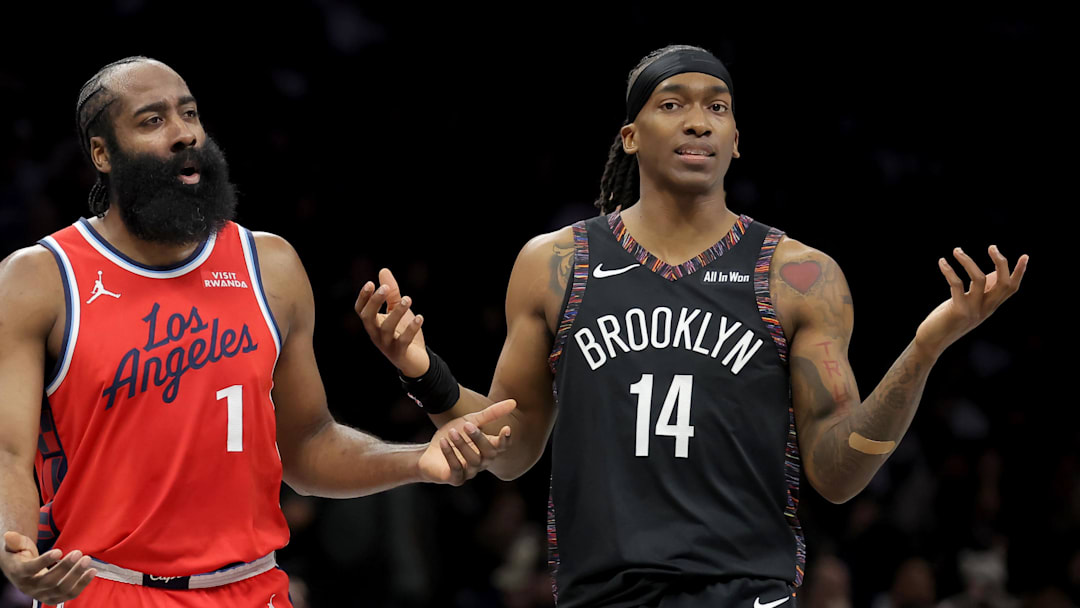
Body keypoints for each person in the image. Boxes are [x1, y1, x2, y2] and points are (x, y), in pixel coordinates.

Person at [356, 45, 1029, 607]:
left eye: (718, 107)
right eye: (673, 103)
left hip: (745, 592)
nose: (699, 122)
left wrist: (926, 345)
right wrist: (424, 372)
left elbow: (835, 473)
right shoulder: (557, 263)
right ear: (631, 135)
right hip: (600, 593)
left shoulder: (796, 274)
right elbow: (514, 448)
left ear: (738, 142)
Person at [0, 56, 515, 607]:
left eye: (189, 113)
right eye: (152, 120)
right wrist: (15, 546)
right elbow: (8, 451)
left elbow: (307, 444)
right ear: (101, 153)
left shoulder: (269, 264)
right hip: (105, 587)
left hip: (251, 588)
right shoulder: (41, 277)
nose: (183, 134)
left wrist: (417, 460)